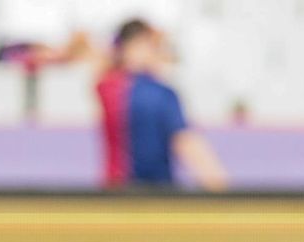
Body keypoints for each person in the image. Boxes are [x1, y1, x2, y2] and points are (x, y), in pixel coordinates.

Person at [95, 18, 227, 192]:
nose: (161, 52)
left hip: (112, 197)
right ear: (138, 47)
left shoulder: (106, 87)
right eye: (155, 46)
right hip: (156, 199)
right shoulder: (160, 94)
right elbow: (187, 144)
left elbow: (100, 60)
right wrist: (224, 192)